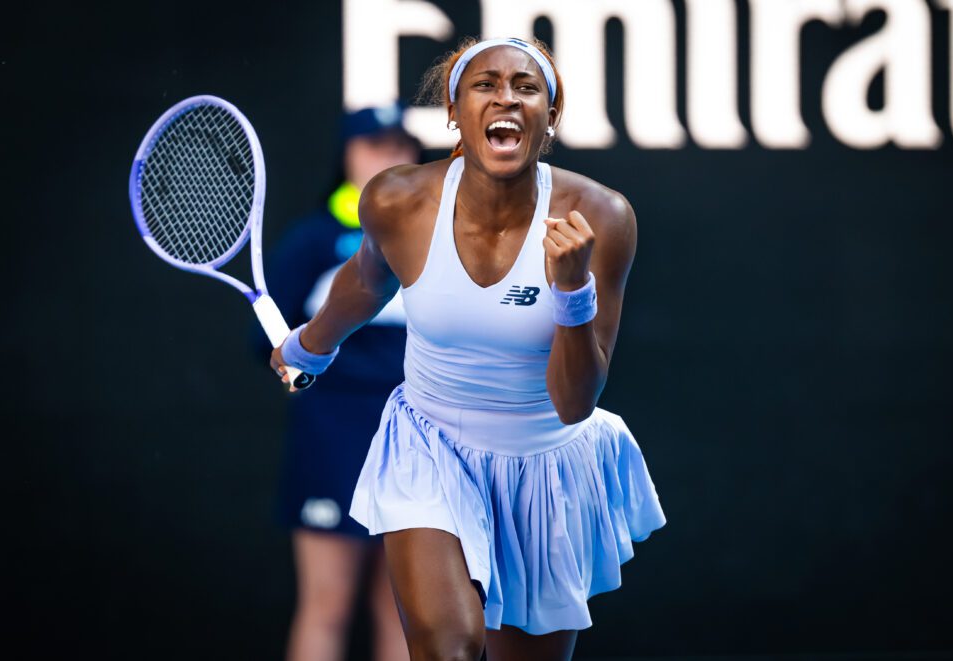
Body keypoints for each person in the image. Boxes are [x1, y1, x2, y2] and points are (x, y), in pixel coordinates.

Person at [271, 37, 666, 661]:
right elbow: (368, 279)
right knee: (448, 649)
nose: (505, 96)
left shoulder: (602, 216)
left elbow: (574, 403)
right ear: (454, 112)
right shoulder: (397, 200)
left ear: (550, 116)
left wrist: (571, 291)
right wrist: (309, 346)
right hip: (429, 446)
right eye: (485, 84)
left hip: (544, 465)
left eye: (526, 86)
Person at [260, 103, 420, 661]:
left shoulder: (438, 242)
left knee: (403, 614)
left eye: (401, 146)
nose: (389, 157)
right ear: (346, 156)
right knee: (326, 605)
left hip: (417, 446)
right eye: (374, 145)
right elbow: (271, 348)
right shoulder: (313, 240)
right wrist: (288, 363)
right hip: (329, 442)